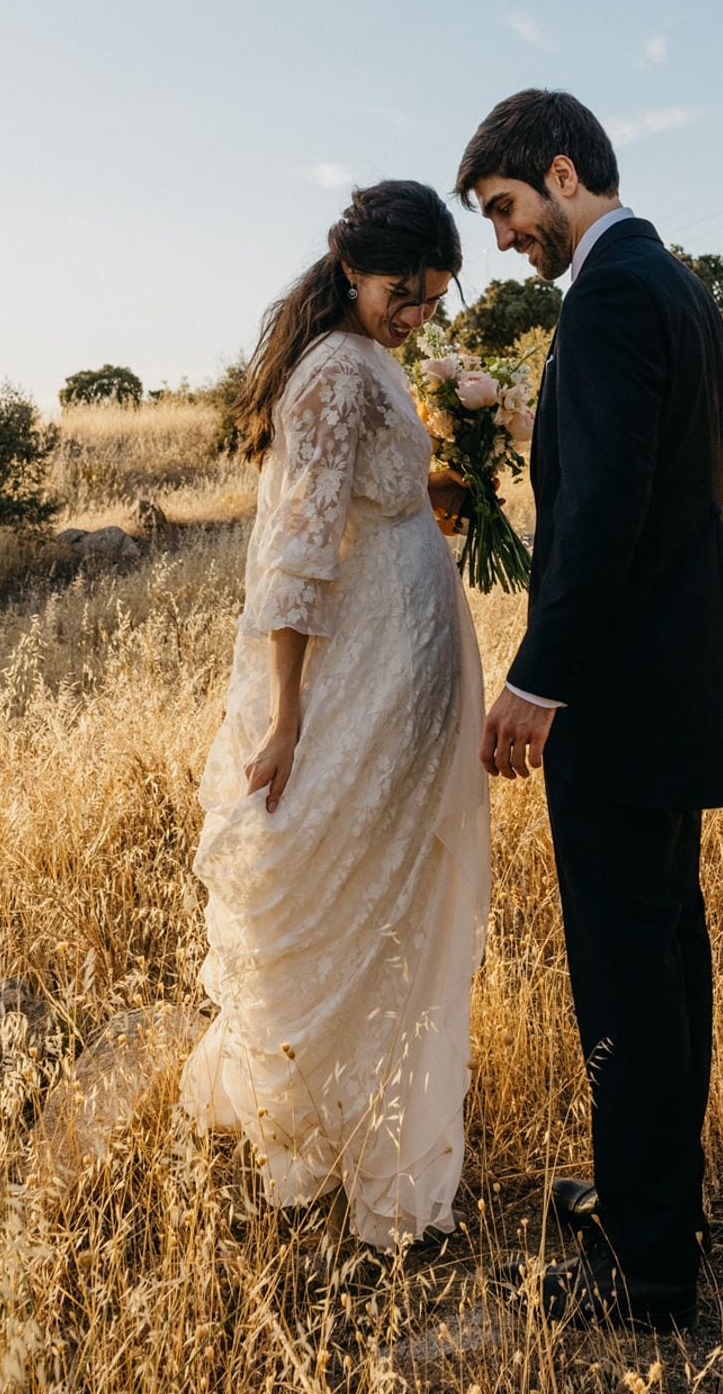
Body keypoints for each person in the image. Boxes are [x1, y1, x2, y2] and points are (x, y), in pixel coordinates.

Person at [456, 90, 723, 1329]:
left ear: (561, 171)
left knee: (626, 976)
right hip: (675, 678)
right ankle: (641, 1198)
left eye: (505, 210)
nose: (504, 238)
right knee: (663, 961)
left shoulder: (605, 297)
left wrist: (534, 682)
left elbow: (603, 510)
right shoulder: (674, 282)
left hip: (617, 689)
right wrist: (515, 411)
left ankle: (646, 1266)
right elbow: (626, 464)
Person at [179, 181, 491, 1250]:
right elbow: (297, 556)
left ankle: (376, 1115)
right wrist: (287, 717)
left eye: (432, 300)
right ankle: (332, 1130)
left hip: (407, 659)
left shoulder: (376, 360)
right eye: (404, 294)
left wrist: (447, 492)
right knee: (352, 888)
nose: (418, 315)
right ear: (354, 268)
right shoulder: (330, 376)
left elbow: (370, 499)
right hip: (357, 676)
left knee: (398, 894)